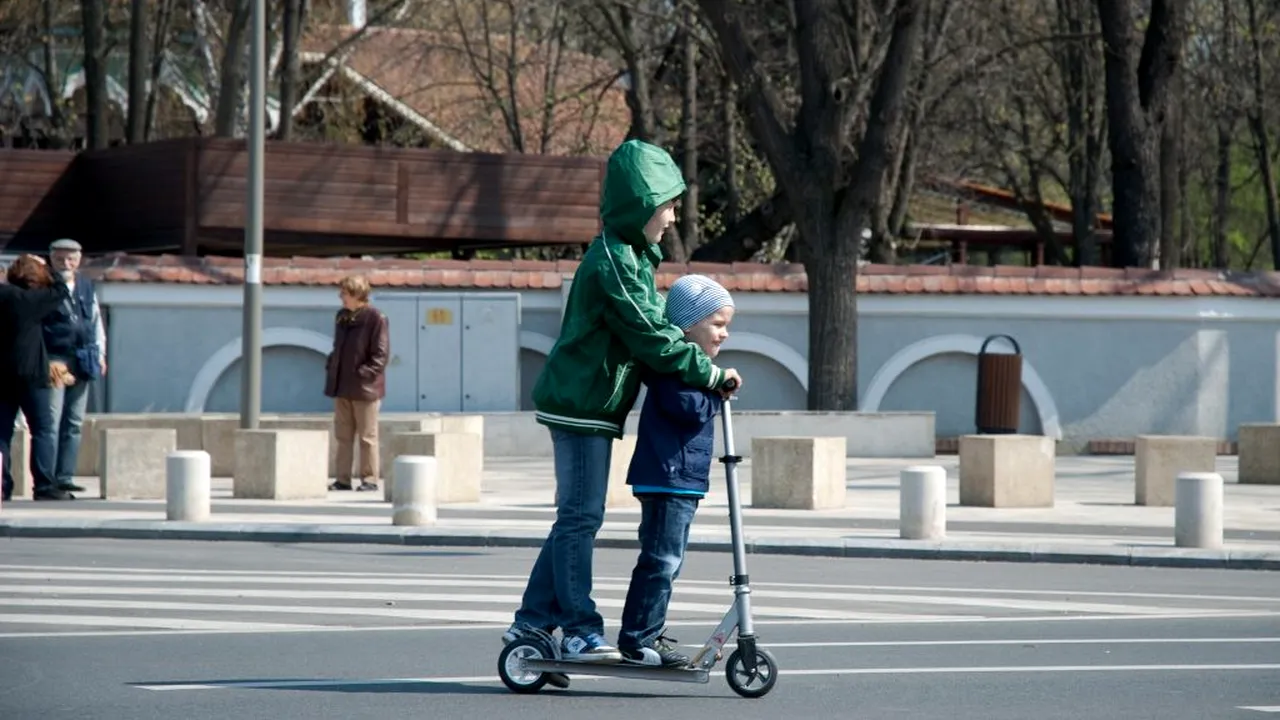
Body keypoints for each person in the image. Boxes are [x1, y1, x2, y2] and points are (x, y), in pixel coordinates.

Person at [505, 139, 744, 665]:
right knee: (580, 517)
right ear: (642, 202)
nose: (674, 216)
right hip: (579, 404)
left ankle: (532, 621)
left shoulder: (632, 256)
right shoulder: (614, 259)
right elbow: (650, 334)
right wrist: (708, 371)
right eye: (668, 205)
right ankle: (576, 628)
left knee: (577, 517)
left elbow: (655, 326)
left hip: (592, 405)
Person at [616, 274, 734, 666]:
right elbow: (686, 409)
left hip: (679, 479)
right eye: (717, 324)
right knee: (661, 562)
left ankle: (647, 632)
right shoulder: (675, 363)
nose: (724, 334)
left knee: (667, 561)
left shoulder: (693, 366)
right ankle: (638, 639)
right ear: (688, 325)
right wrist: (718, 392)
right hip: (667, 477)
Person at [0, 255, 75, 501]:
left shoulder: (4, 295)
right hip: (33, 373)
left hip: (2, 374)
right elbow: (61, 289)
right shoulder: (34, 301)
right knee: (42, 429)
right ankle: (44, 485)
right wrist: (47, 267)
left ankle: (2, 485)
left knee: (2, 432)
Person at [40, 238, 106, 495]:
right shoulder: (44, 285)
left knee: (75, 420)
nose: (65, 264)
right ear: (51, 259)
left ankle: (65, 475)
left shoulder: (87, 287)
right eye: (60, 259)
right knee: (52, 418)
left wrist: (100, 354)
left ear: (79, 260)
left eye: (71, 259)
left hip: (83, 357)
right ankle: (49, 479)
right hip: (56, 358)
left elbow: (96, 321)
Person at [323, 274, 389, 492]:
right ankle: (342, 479)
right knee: (342, 436)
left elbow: (381, 355)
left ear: (357, 294)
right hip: (342, 385)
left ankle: (369, 479)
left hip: (365, 388)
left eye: (345, 293)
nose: (341, 297)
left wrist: (363, 373)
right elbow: (337, 346)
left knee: (367, 437)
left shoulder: (375, 318)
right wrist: (333, 364)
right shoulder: (341, 317)